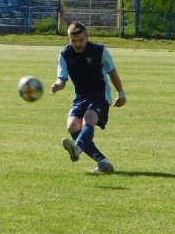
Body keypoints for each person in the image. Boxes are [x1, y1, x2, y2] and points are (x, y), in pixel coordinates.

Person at [50, 22, 127, 174]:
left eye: (81, 40)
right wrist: (57, 86)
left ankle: (77, 148)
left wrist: (121, 93)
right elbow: (62, 79)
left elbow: (112, 72)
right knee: (72, 125)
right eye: (74, 41)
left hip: (100, 95)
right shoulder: (65, 54)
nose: (78, 44)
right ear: (68, 39)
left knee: (88, 118)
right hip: (81, 97)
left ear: (87, 37)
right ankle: (103, 162)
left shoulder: (99, 51)